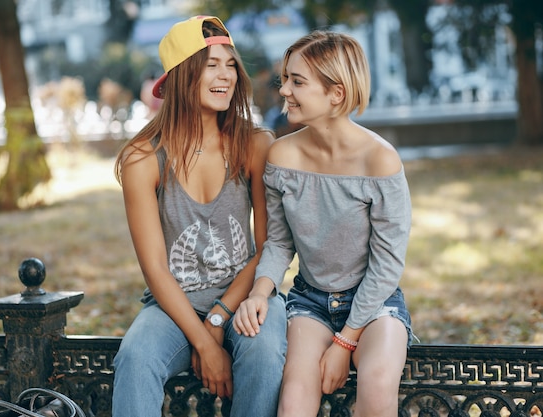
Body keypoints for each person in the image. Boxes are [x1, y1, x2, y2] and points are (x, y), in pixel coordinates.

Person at [111, 16, 287, 417]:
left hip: (245, 296)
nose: (225, 75)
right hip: (176, 305)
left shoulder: (255, 144)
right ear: (181, 77)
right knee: (136, 358)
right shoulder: (143, 158)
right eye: (211, 65)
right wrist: (205, 343)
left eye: (230, 64)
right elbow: (155, 268)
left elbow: (269, 248)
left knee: (262, 352)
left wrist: (221, 316)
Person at [232, 30, 415, 417]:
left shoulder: (380, 161)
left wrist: (345, 343)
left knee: (378, 386)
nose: (284, 90)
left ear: (337, 93)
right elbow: (279, 244)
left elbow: (386, 266)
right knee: (295, 401)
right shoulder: (282, 156)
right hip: (310, 302)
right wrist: (260, 293)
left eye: (297, 81)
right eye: (285, 79)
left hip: (374, 304)